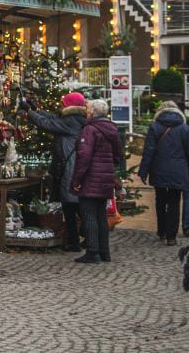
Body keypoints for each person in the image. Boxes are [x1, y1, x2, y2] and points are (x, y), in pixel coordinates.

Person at [24, 91, 86, 251]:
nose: (61, 105)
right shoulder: (75, 118)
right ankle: (81, 239)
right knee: (74, 206)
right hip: (70, 168)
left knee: (72, 207)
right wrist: (37, 110)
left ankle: (78, 241)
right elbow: (53, 119)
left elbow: (49, 124)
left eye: (63, 103)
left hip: (70, 169)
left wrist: (30, 113)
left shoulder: (72, 120)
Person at [71, 99, 122, 263]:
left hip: (91, 178)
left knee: (89, 215)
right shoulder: (112, 129)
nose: (86, 110)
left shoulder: (89, 130)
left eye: (87, 108)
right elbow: (117, 155)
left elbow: (84, 157)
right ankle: (104, 251)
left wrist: (77, 179)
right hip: (105, 177)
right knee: (101, 215)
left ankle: (93, 251)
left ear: (92, 112)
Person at [138, 101, 189, 246]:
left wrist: (143, 171)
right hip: (178, 170)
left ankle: (161, 231)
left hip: (159, 169)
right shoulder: (184, 128)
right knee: (174, 201)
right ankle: (171, 236)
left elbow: (148, 151)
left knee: (160, 200)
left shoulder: (154, 127)